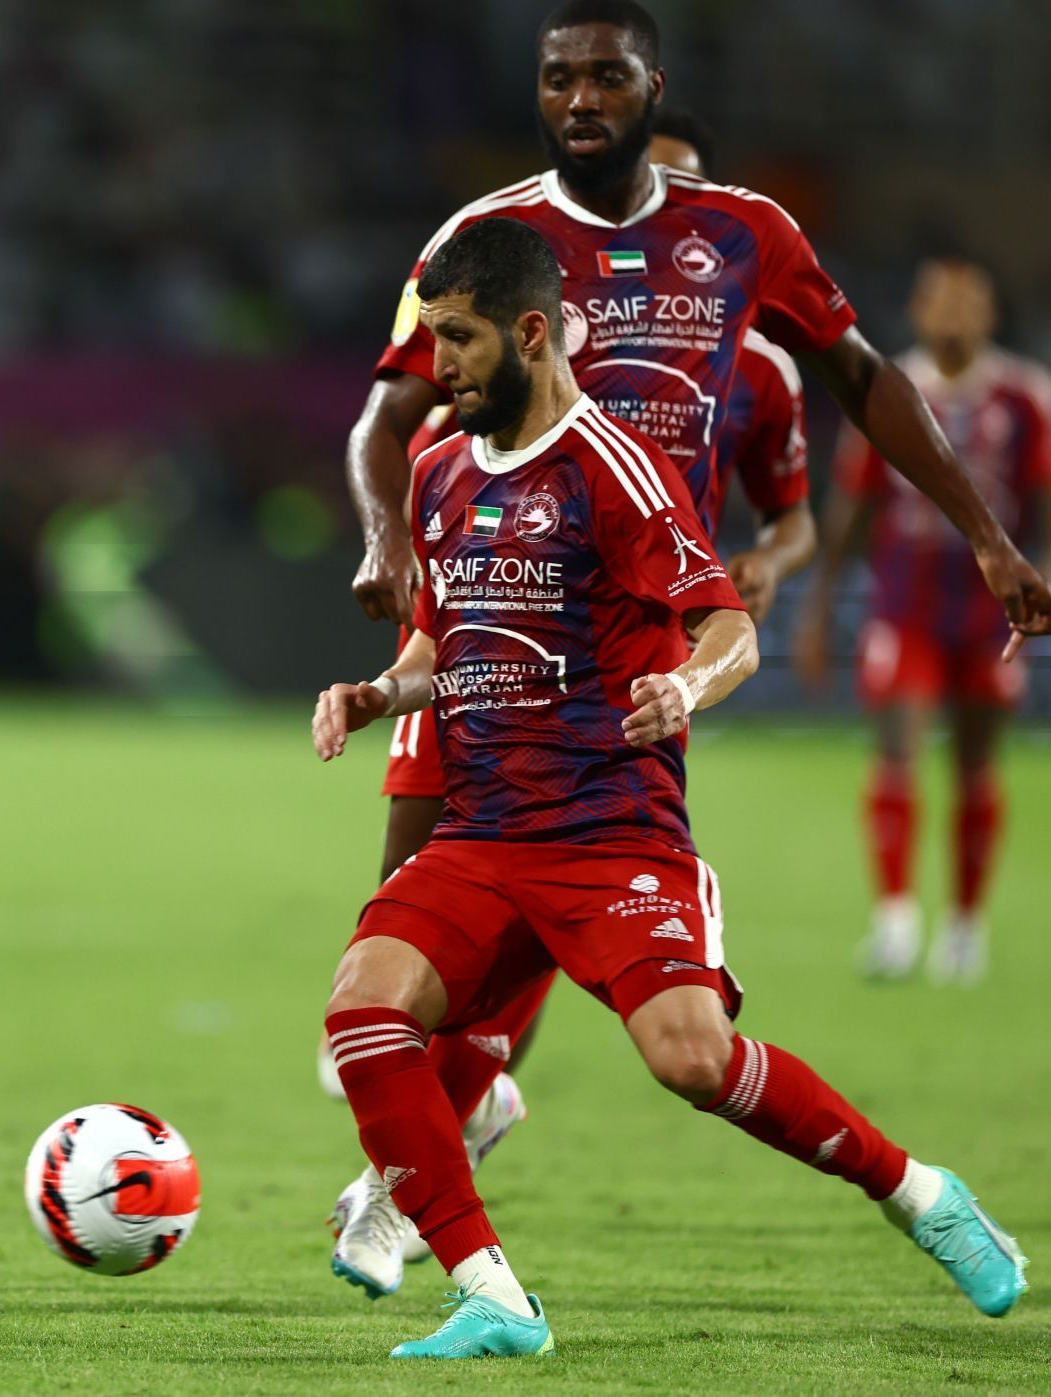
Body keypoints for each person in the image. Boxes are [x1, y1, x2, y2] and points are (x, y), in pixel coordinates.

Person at [328, 0, 1050, 1299]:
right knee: (412, 922)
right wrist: (389, 545)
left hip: (632, 617)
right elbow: (388, 416)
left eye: (608, 76)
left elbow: (863, 384)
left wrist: (986, 536)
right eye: (560, 78)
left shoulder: (747, 235)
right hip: (483, 590)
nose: (582, 99)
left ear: (656, 86)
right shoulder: (481, 243)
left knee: (552, 926)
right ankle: (435, 1153)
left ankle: (430, 1153)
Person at [797, 255, 1051, 983]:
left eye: (966, 301)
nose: (951, 314)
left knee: (976, 767)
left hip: (988, 608)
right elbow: (851, 508)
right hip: (903, 604)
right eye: (937, 300)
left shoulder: (1026, 395)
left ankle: (966, 927)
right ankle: (897, 922)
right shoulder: (887, 388)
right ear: (916, 311)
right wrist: (818, 607)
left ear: (990, 314)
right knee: (898, 752)